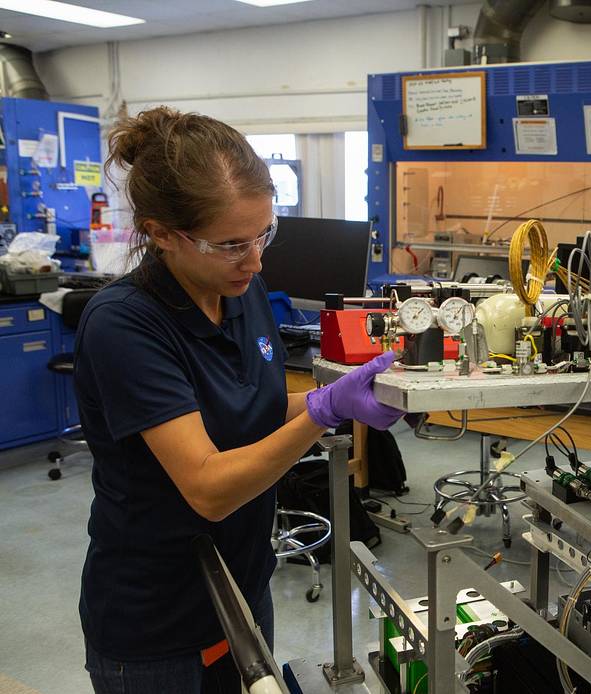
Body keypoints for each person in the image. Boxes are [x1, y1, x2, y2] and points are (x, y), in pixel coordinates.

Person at [76, 107, 403, 693]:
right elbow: (209, 488)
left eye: (263, 235)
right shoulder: (125, 325)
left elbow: (256, 411)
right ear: (161, 234)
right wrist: (325, 413)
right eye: (230, 245)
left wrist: (339, 399)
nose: (255, 262)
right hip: (157, 624)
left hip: (243, 591)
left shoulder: (241, 292)